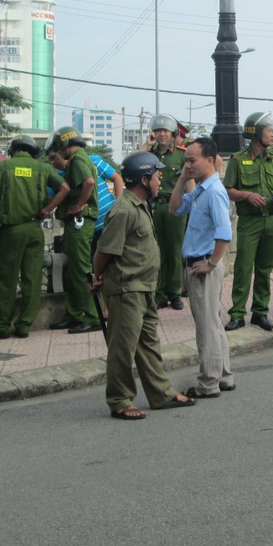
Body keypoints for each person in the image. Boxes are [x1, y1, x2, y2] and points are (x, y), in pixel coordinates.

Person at [91, 152, 195, 420]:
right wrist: (98, 276)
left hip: (144, 286)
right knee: (123, 348)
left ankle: (160, 393)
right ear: (144, 179)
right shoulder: (124, 209)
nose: (160, 182)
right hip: (127, 287)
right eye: (158, 177)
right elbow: (105, 251)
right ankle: (120, 399)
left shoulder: (140, 205)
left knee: (148, 344)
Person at [0, 135, 69, 340]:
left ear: (13, 150)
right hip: (34, 230)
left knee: (6, 279)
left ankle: (0, 326)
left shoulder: (2, 168)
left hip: (10, 231)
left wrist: (4, 206)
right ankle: (24, 326)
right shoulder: (43, 168)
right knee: (32, 278)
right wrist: (47, 210)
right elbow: (65, 188)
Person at [169, 137, 235, 399]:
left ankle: (208, 383)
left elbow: (224, 232)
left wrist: (211, 263)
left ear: (210, 160)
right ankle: (224, 377)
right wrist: (182, 179)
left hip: (203, 264)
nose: (188, 165)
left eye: (192, 160)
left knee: (206, 328)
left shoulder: (215, 192)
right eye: (186, 160)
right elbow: (175, 208)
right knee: (213, 324)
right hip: (199, 263)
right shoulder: (202, 190)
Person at [223, 112, 273, 332]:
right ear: (256, 133)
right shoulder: (238, 160)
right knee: (243, 268)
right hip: (250, 222)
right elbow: (229, 190)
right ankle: (237, 314)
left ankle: (260, 312)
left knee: (265, 269)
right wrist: (248, 196)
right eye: (269, 130)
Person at [45, 126, 101, 334]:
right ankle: (74, 314)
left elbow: (88, 182)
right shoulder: (78, 160)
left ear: (65, 146)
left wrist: (78, 206)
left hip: (81, 220)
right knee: (72, 271)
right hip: (77, 221)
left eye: (59, 149)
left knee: (80, 271)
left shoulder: (78, 159)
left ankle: (91, 316)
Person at [143, 113, 192, 311]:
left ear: (173, 134)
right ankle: (160, 293)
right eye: (158, 131)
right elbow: (135, 164)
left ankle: (174, 293)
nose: (162, 134)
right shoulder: (150, 155)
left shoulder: (181, 154)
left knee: (174, 250)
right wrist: (146, 145)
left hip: (176, 207)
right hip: (154, 206)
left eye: (165, 131)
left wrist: (193, 206)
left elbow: (189, 180)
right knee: (157, 251)